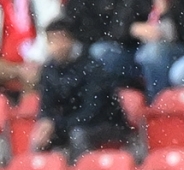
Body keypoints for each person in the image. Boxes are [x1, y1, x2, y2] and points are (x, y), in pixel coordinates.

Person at [32, 20, 136, 155]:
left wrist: (56, 126)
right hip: (69, 124)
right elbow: (46, 105)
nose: (56, 46)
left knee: (78, 134)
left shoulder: (92, 67)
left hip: (107, 124)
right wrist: (45, 122)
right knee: (38, 136)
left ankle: (82, 168)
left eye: (60, 40)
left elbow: (91, 112)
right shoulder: (49, 70)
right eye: (51, 41)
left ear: (70, 40)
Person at [0, 0, 60, 91]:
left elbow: (52, 26)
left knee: (36, 75)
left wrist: (34, 60)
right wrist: (17, 70)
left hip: (37, 62)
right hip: (5, 66)